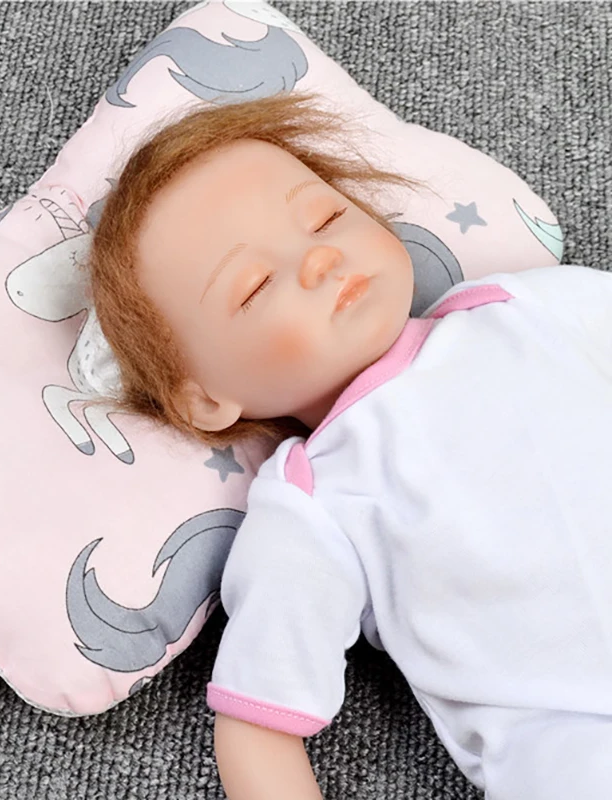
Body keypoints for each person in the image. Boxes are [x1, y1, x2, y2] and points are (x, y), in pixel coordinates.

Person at [88, 92, 612, 800]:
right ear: (206, 400)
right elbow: (257, 724)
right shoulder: (313, 500)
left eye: (324, 217)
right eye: (255, 286)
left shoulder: (526, 306)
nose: (319, 258)